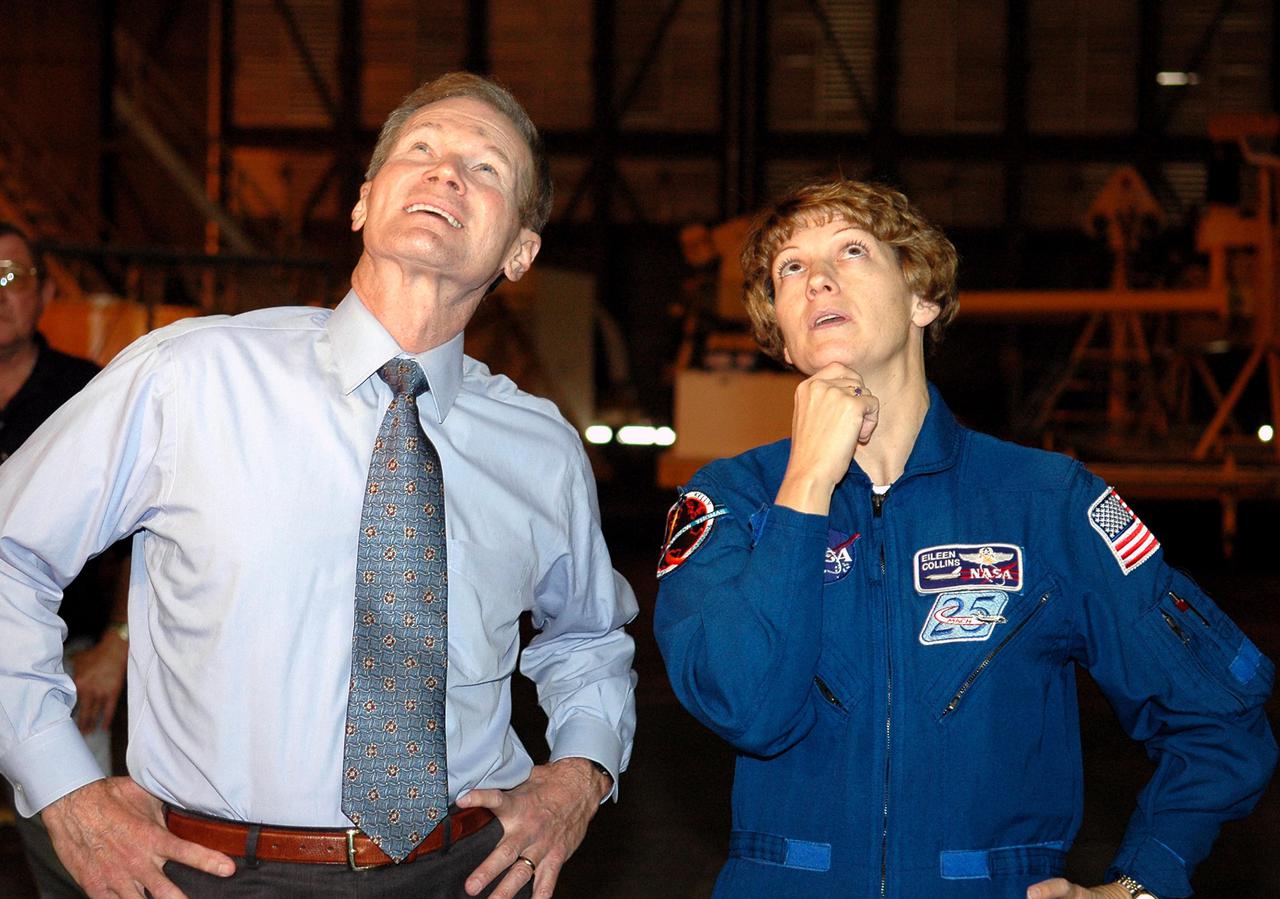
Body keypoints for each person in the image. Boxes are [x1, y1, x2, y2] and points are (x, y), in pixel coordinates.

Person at [0, 72, 637, 899]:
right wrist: (64, 787)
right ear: (363, 204)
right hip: (213, 873)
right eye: (422, 150)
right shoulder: (190, 378)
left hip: (466, 870)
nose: (447, 172)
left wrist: (581, 774)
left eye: (486, 168)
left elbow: (587, 637)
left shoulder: (540, 448)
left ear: (520, 250)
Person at [653, 178, 1276, 899]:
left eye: (851, 250)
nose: (815, 276)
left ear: (923, 299)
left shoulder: (1046, 501)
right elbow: (748, 708)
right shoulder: (731, 501)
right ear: (782, 335)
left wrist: (1144, 882)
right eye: (790, 267)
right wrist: (807, 485)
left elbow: (1220, 716)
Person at [0, 222, 130, 898]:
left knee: (82, 856)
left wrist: (118, 640)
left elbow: (149, 537)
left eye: (11, 277)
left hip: (64, 665)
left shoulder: (89, 396)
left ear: (47, 292)